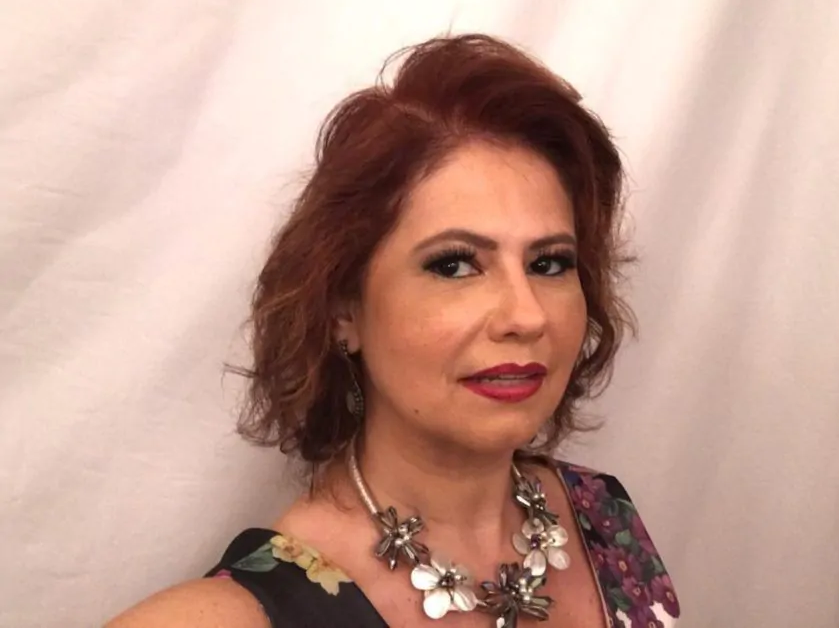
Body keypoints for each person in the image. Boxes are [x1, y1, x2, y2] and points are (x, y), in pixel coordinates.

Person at [107, 34, 680, 628]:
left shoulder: (603, 520)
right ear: (343, 311)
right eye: (454, 265)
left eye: (549, 263)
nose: (527, 315)